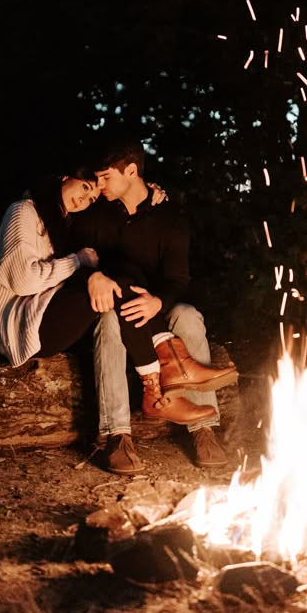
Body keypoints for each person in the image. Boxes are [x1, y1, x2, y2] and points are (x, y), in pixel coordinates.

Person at [0, 167, 214, 472]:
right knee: (120, 281)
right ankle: (163, 372)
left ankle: (161, 379)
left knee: (124, 274)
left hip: (53, 313)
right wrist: (80, 263)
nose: (85, 199)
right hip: (26, 326)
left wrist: (152, 194)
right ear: (62, 175)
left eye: (92, 196)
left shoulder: (64, 220)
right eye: (84, 187)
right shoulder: (24, 212)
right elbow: (22, 280)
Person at [75, 135, 237, 473]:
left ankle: (204, 430)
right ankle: (116, 435)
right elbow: (76, 260)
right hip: (111, 307)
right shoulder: (95, 213)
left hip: (157, 309)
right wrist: (93, 278)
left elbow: (179, 280)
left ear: (131, 171)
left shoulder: (171, 217)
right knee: (107, 319)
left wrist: (157, 302)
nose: (98, 184)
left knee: (188, 315)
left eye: (106, 176)